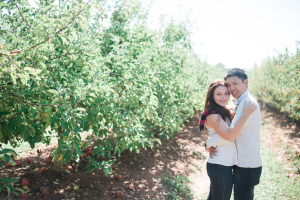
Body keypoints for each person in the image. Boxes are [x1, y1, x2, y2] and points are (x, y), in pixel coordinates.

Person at [205, 68, 262, 200]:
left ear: (245, 82)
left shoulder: (247, 104)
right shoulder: (239, 103)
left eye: (235, 83)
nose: (231, 88)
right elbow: (228, 131)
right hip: (240, 164)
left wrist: (209, 143)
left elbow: (230, 135)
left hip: (246, 165)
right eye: (229, 85)